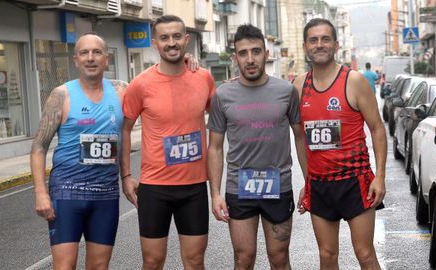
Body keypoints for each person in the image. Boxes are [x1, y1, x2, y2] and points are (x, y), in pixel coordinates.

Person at [207, 24, 306, 270]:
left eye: (256, 51)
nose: (250, 59)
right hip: (239, 188)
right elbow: (215, 148)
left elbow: (300, 138)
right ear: (235, 57)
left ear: (266, 53)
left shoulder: (286, 91)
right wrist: (216, 193)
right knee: (243, 258)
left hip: (279, 186)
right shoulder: (223, 95)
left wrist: (309, 181)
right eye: (243, 53)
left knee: (279, 257)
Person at [120, 15, 215, 270]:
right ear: (155, 43)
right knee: (152, 262)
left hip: (194, 187)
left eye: (176, 36)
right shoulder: (140, 85)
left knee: (195, 262)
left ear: (186, 40)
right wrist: (126, 175)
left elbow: (219, 122)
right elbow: (125, 130)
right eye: (164, 38)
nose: (171, 43)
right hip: (155, 188)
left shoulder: (203, 78)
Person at [293, 18, 387, 269]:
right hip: (320, 185)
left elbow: (377, 129)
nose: (319, 44)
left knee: (365, 253)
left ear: (335, 44)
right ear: (305, 46)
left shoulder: (353, 80)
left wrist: (380, 176)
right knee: (326, 255)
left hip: (354, 181)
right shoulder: (299, 85)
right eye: (313, 40)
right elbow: (300, 137)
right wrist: (307, 181)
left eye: (325, 39)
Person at [30, 32, 126, 269]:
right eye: (84, 53)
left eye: (96, 52)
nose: (90, 58)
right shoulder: (61, 95)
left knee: (99, 266)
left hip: (105, 193)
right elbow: (38, 147)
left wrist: (187, 62)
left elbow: (159, 79)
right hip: (67, 192)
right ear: (75, 60)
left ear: (106, 59)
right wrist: (41, 193)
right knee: (64, 266)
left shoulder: (122, 90)